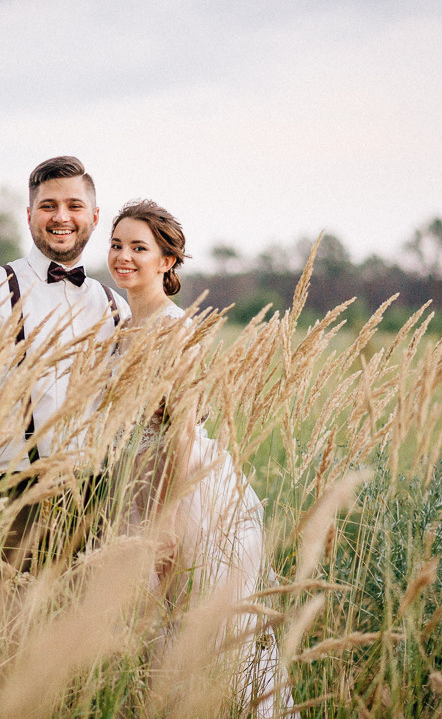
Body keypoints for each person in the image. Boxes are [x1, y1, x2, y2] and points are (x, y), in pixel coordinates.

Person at [107, 199, 293, 717]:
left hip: (178, 489)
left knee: (185, 633)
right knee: (141, 637)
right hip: (132, 484)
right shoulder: (119, 323)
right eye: (117, 244)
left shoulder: (174, 330)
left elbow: (182, 432)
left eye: (138, 247)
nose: (124, 256)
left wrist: (168, 521)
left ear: (167, 262)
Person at [0, 155, 131, 571]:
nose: (61, 216)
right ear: (29, 216)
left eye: (74, 205)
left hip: (95, 505)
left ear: (95, 217)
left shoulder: (114, 306)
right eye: (48, 205)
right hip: (9, 504)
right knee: (6, 632)